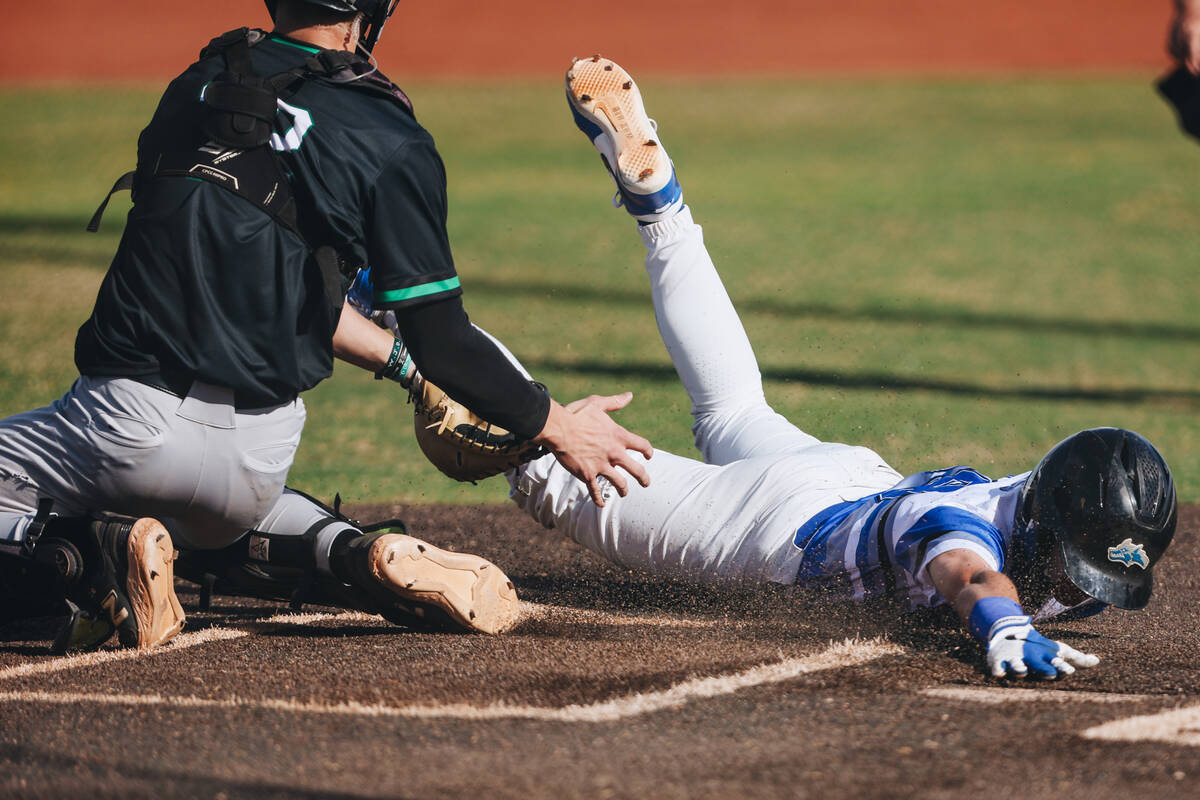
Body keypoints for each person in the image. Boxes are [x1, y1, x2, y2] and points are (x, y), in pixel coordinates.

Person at [0, 2, 652, 652]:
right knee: (209, 528)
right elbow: (440, 340)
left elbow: (237, 269)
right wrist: (556, 425)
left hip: (121, 428)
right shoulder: (386, 134)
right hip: (256, 460)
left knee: (101, 513)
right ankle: (343, 550)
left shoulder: (193, 88)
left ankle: (86, 551)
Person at [503, 56, 1179, 680]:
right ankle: (411, 324)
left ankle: (664, 212)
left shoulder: (1044, 512)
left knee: (734, 412)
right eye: (1075, 568)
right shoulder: (960, 528)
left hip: (848, 482)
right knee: (543, 467)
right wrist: (1001, 625)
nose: (1079, 592)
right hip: (775, 529)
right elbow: (968, 578)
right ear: (1041, 521)